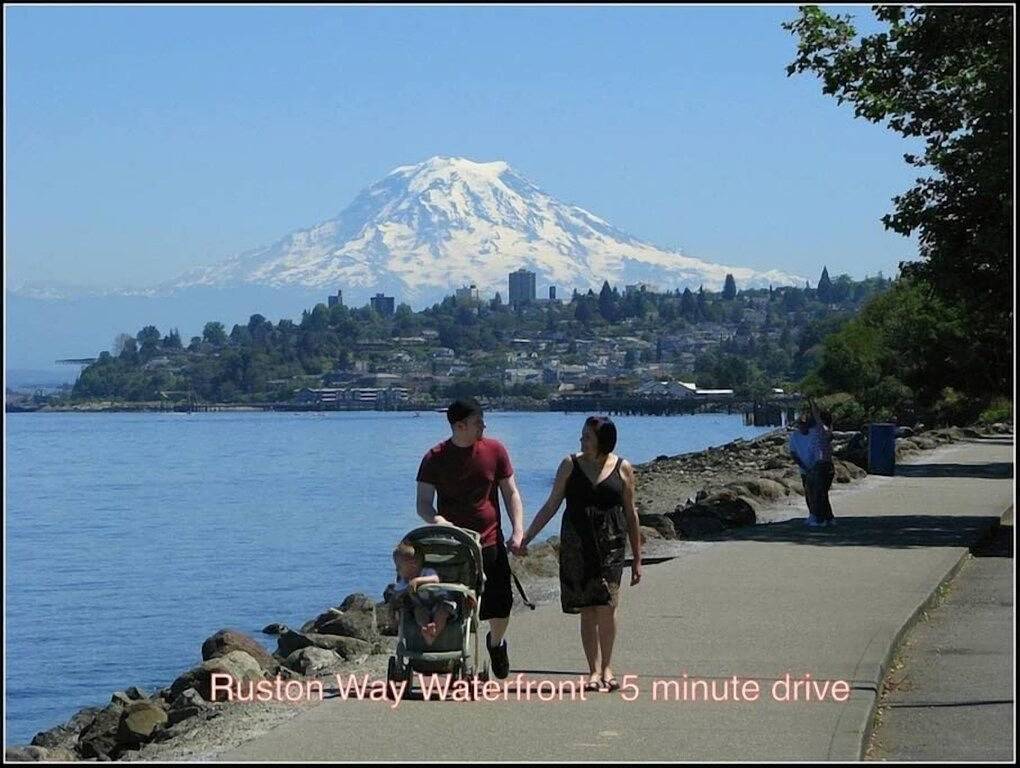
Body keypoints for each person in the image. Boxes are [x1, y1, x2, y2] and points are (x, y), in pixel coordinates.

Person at [520, 416, 642, 693]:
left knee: (607, 607)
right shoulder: (569, 465)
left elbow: (631, 514)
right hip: (577, 544)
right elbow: (552, 504)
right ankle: (593, 670)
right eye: (583, 436)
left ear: (603, 441)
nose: (582, 440)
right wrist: (527, 537)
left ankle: (608, 667)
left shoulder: (623, 468)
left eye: (587, 436)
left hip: (610, 545)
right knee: (587, 609)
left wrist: (637, 557)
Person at [415, 398, 525, 678]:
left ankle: (496, 643)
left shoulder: (495, 450)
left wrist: (518, 531)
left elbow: (510, 492)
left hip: (489, 541)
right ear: (460, 426)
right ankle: (454, 652)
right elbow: (423, 504)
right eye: (478, 422)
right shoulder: (434, 457)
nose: (483, 427)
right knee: (451, 604)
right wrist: (440, 521)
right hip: (453, 546)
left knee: (501, 605)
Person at [383, 540, 466, 645]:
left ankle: (435, 629)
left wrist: (418, 581)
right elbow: (397, 593)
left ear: (412, 566)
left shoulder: (426, 572)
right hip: (422, 606)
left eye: (399, 567)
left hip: (441, 602)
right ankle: (426, 628)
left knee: (442, 612)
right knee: (419, 612)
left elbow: (436, 579)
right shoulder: (404, 582)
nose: (396, 570)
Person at [789, 407, 822, 526]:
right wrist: (804, 467)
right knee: (808, 492)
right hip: (804, 469)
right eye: (800, 424)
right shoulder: (794, 436)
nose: (802, 426)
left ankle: (819, 515)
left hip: (817, 467)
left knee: (818, 493)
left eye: (804, 424)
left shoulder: (814, 433)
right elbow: (793, 453)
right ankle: (812, 515)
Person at [807, 398, 836, 527]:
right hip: (829, 465)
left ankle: (821, 520)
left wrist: (812, 402)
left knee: (819, 494)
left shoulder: (823, 429)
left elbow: (816, 415)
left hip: (822, 465)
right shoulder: (829, 430)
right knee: (823, 493)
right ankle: (829, 518)